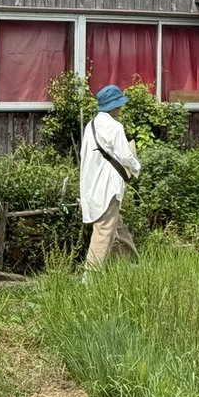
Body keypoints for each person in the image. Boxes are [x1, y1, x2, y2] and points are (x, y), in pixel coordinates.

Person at [79, 84, 142, 267]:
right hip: (108, 186)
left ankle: (131, 264)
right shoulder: (115, 127)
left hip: (93, 185)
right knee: (104, 230)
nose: (121, 108)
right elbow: (125, 156)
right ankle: (89, 276)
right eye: (119, 104)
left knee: (117, 226)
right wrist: (137, 167)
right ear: (113, 106)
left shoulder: (91, 126)